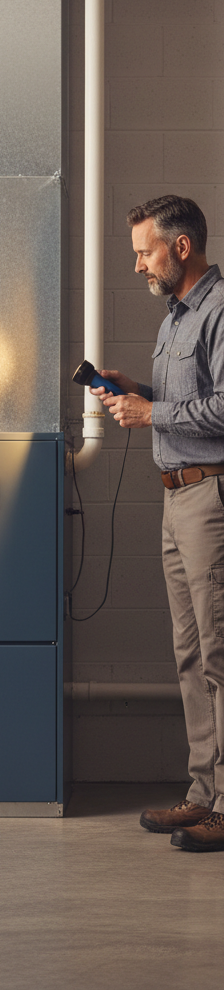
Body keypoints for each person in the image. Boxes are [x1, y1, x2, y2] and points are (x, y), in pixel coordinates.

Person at [90, 194, 224, 852]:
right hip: (177, 499)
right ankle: (205, 794)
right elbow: (188, 398)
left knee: (220, 654)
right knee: (190, 654)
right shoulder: (175, 316)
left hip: (210, 498)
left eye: (145, 252)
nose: (138, 264)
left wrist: (155, 417)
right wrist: (140, 392)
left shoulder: (220, 310)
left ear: (181, 247)